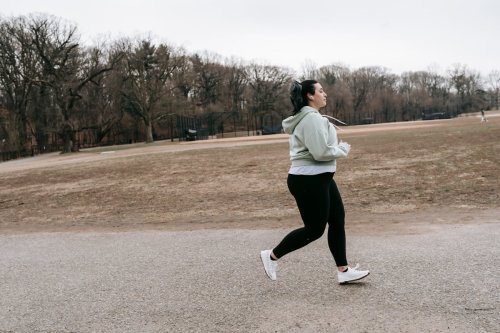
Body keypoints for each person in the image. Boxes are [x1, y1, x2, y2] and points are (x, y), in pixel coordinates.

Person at [260, 79, 370, 284]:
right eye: (320, 90)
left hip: (320, 177)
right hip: (308, 179)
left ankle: (343, 271)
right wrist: (342, 150)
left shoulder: (311, 117)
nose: (325, 93)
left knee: (337, 219)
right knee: (314, 230)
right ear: (310, 96)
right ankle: (272, 256)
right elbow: (320, 153)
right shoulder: (310, 119)